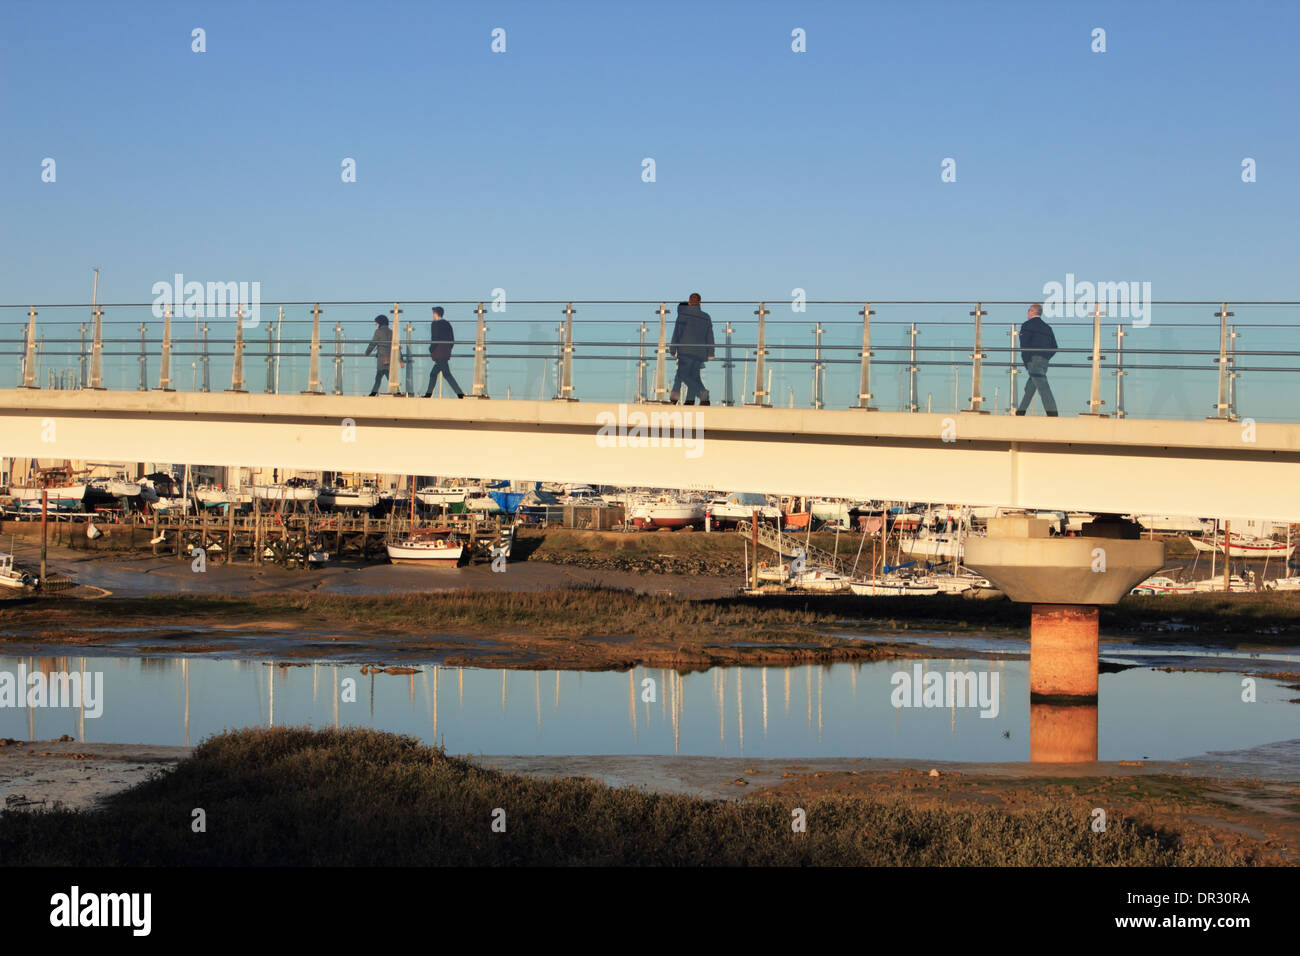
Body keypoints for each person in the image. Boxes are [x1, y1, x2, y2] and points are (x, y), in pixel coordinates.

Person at [669, 293, 715, 405]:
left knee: (681, 375)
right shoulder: (706, 316)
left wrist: (673, 349)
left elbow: (677, 333)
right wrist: (711, 352)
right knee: (694, 376)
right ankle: (690, 401)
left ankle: (701, 393)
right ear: (700, 303)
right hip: (700, 352)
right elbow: (709, 335)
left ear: (689, 303)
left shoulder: (682, 315)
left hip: (685, 351)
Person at [1016, 303, 1058, 416]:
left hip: (1033, 360)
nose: (1027, 312)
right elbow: (1054, 347)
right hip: (1044, 360)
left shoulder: (1027, 325)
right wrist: (1045, 357)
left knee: (1043, 388)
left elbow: (1024, 345)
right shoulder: (1047, 327)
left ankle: (1053, 413)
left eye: (1028, 310)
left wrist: (1027, 361)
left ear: (1032, 311)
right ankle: (1020, 411)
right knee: (1031, 387)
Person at [424, 306, 464, 398]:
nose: (432, 315)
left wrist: (431, 349)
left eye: (433, 313)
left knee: (446, 374)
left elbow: (434, 338)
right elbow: (452, 340)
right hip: (445, 352)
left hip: (438, 352)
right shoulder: (447, 324)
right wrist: (448, 349)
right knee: (433, 373)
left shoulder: (434, 324)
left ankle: (460, 394)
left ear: (436, 314)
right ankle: (428, 394)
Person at [364, 314, 393, 395]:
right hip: (390, 358)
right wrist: (400, 359)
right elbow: (395, 346)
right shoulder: (391, 332)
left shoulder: (378, 332)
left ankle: (373, 393)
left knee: (379, 376)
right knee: (389, 376)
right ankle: (397, 391)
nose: (376, 324)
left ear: (380, 323)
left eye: (376, 323)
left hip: (381, 358)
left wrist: (367, 352)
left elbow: (373, 343)